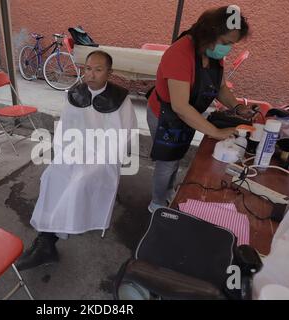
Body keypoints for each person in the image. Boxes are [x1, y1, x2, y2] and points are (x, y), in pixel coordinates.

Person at [16, 50, 137, 271]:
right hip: (75, 150)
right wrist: (65, 154)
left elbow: (125, 135)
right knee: (52, 175)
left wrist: (99, 157)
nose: (91, 74)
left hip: (104, 156)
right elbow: (65, 128)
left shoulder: (121, 99)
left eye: (98, 70)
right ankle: (46, 239)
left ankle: (47, 241)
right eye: (88, 69)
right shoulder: (75, 94)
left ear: (109, 73)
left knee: (79, 180)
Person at [146, 6, 254, 213]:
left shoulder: (212, 52)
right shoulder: (180, 53)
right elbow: (179, 106)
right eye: (226, 42)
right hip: (165, 115)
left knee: (176, 156)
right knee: (167, 161)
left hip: (187, 114)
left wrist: (237, 107)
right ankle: (157, 204)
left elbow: (220, 88)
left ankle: (169, 191)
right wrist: (215, 132)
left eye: (232, 44)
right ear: (210, 33)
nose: (228, 49)